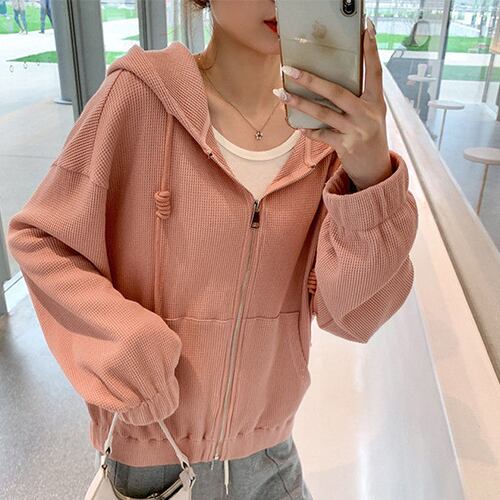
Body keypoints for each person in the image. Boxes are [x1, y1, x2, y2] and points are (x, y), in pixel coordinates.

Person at [7, 1, 418, 499]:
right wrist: (123, 342)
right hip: (152, 464)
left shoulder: (328, 135)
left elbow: (351, 315)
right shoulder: (139, 97)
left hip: (270, 457)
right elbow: (42, 238)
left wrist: (371, 176)